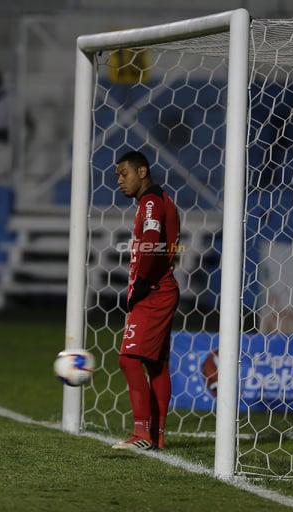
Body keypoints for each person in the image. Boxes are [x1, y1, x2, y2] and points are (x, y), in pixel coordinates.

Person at [111, 150, 181, 451]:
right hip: (161, 289)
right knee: (157, 365)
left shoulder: (151, 202)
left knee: (128, 359)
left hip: (153, 291)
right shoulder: (159, 200)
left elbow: (152, 242)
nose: (119, 180)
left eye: (124, 173)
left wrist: (140, 284)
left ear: (142, 172)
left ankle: (141, 433)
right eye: (117, 175)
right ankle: (157, 436)